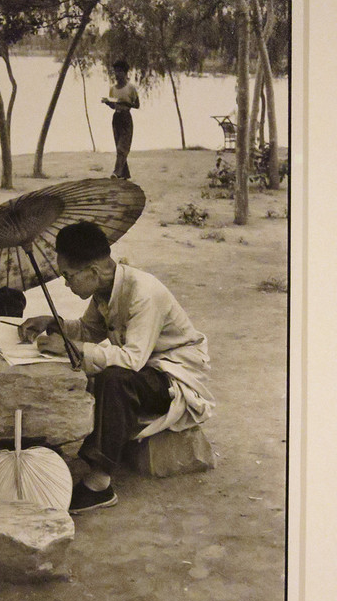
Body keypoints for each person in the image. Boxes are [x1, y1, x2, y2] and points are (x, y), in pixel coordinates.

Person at [18, 221, 215, 514]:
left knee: (114, 379)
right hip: (149, 371)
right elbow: (88, 330)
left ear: (93, 272)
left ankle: (100, 483)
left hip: (175, 378)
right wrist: (54, 323)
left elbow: (132, 360)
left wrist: (73, 348)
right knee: (103, 370)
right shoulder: (105, 290)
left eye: (68, 276)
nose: (66, 284)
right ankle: (105, 450)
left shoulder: (144, 292)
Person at [102, 60, 140, 180]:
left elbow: (137, 105)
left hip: (126, 117)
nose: (117, 74)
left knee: (122, 147)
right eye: (115, 72)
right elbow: (113, 106)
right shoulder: (113, 89)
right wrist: (108, 103)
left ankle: (117, 172)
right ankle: (124, 174)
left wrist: (126, 103)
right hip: (116, 118)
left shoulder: (130, 88)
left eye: (119, 71)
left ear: (125, 73)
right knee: (118, 145)